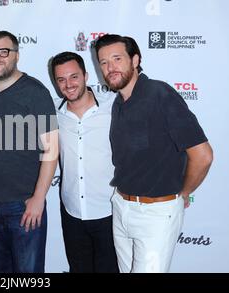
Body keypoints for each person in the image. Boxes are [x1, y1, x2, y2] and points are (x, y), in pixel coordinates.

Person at [94, 34, 213, 273]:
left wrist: (185, 193)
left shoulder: (160, 94)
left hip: (156, 214)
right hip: (121, 205)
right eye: (104, 62)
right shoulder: (118, 103)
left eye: (117, 58)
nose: (110, 67)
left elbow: (203, 155)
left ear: (135, 59)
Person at [0, 31, 58, 273]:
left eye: (4, 52)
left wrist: (38, 198)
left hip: (23, 204)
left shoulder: (36, 92)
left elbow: (51, 149)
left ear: (16, 56)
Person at [50, 51, 119, 273]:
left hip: (110, 212)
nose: (68, 85)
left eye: (74, 77)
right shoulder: (52, 111)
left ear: (86, 76)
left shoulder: (114, 105)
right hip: (72, 213)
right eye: (61, 79)